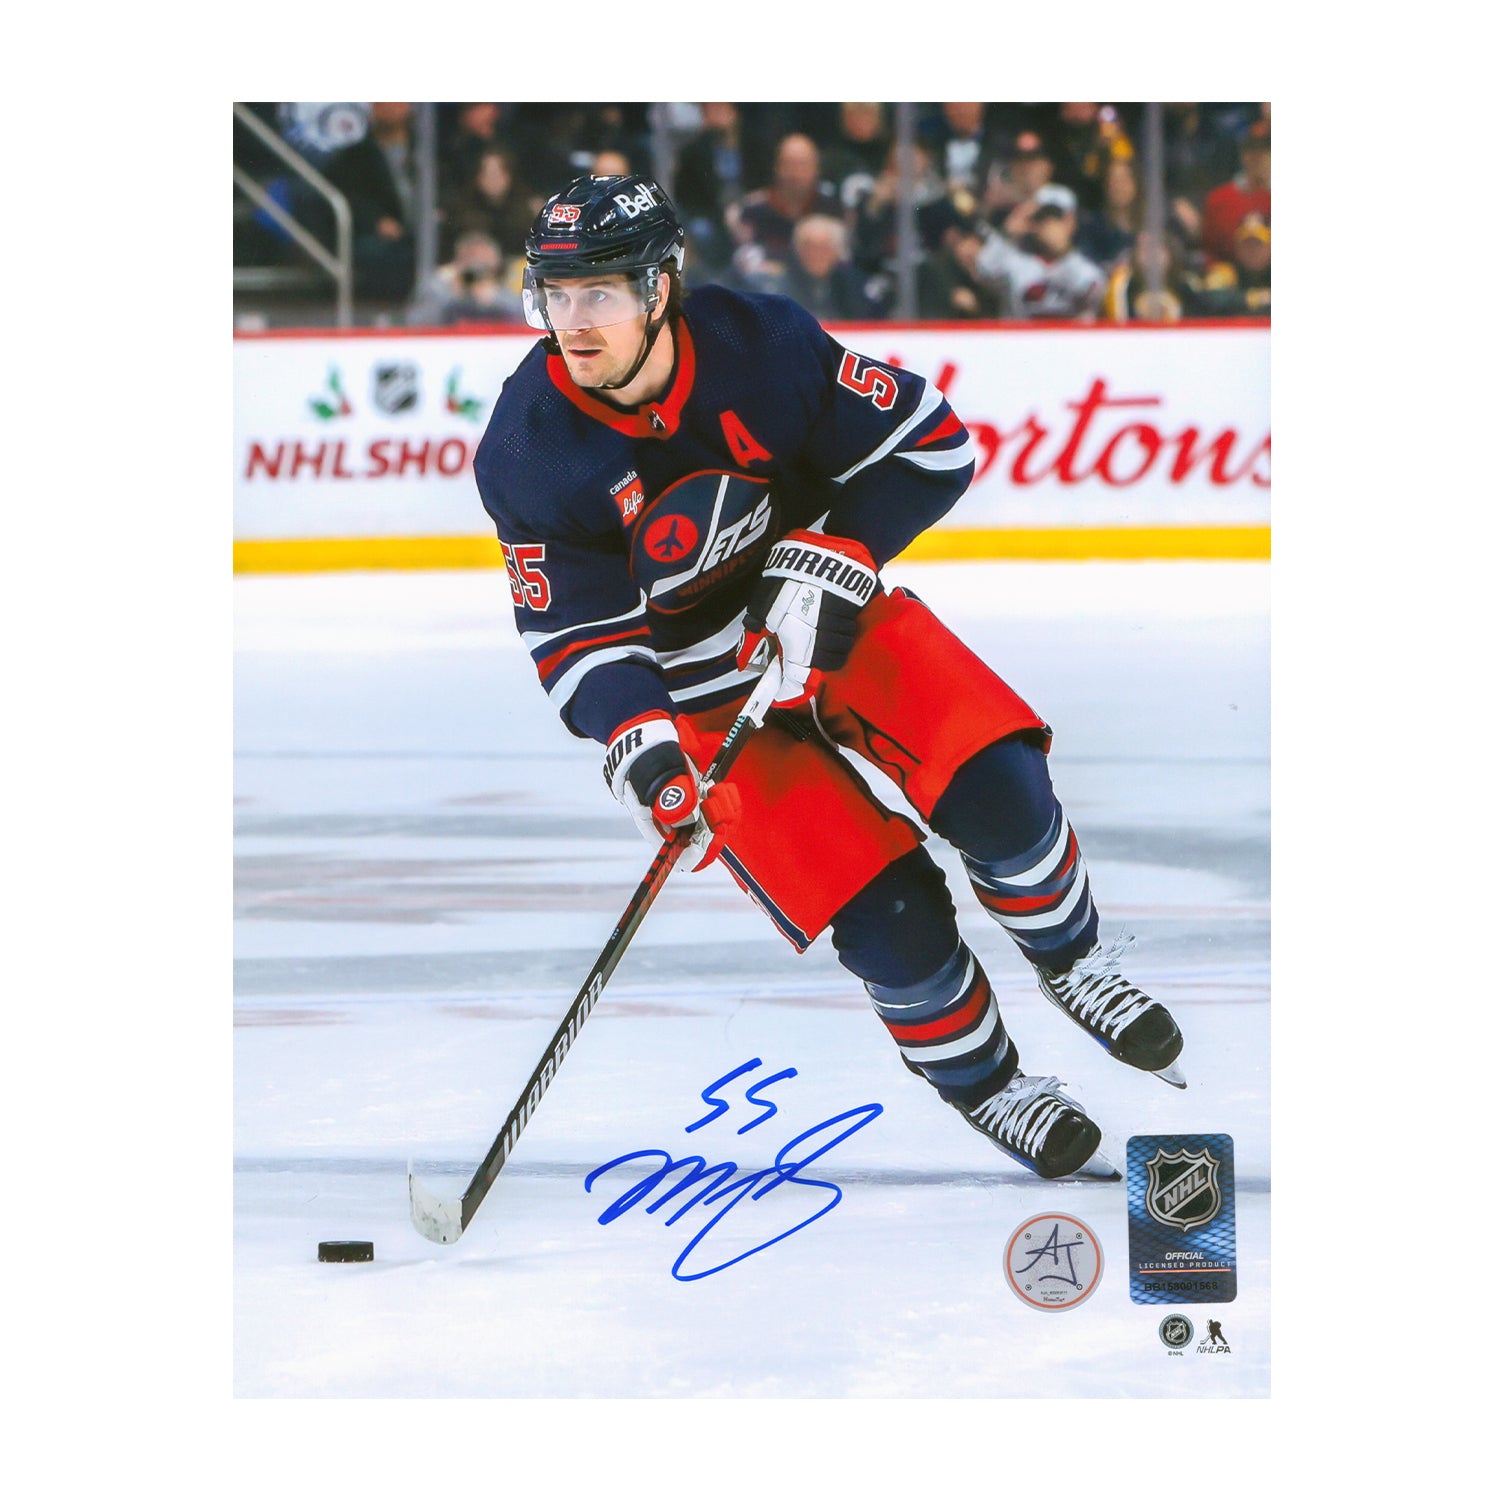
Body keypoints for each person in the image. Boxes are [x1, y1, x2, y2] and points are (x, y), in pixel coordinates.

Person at [472, 175, 1186, 1183]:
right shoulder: (527, 448)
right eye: (555, 294)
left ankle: (1073, 962)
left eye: (601, 292)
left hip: (832, 618)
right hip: (704, 702)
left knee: (999, 788)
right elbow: (577, 637)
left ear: (660, 287)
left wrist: (836, 552)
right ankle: (989, 1086)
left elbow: (931, 444)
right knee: (890, 920)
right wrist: (649, 756)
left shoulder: (761, 345)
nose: (573, 323)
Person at [975, 183, 1106, 320]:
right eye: (1043, 218)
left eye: (1056, 218)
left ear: (1071, 222)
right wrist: (1008, 234)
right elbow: (984, 270)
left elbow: (1091, 300)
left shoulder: (1088, 272)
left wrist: (1063, 252)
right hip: (1021, 333)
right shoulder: (1015, 263)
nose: (1049, 226)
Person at [1200, 122, 1271, 263]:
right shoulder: (1218, 200)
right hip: (1230, 274)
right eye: (1252, 150)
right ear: (1243, 155)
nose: (1258, 157)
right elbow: (1209, 251)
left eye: (1266, 151)